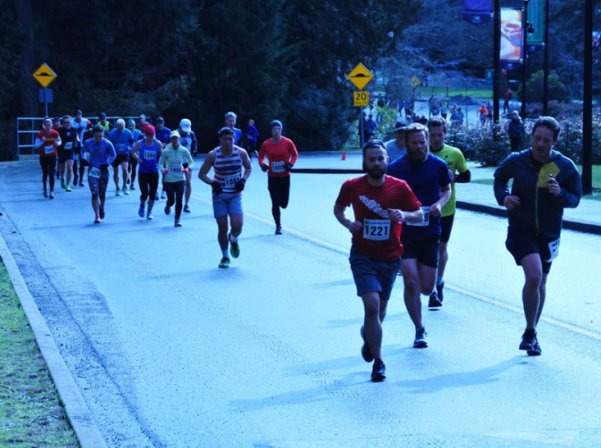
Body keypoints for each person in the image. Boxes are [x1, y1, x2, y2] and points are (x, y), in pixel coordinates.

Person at [334, 139, 423, 382]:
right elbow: (338, 209)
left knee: (379, 312)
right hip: (363, 256)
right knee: (372, 306)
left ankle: (369, 338)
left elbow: (419, 213)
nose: (376, 163)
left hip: (391, 257)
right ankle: (379, 362)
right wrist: (349, 224)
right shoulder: (352, 186)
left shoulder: (400, 187)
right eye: (371, 159)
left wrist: (403, 215)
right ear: (365, 162)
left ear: (387, 161)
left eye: (380, 158)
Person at [493, 116, 582, 356]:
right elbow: (499, 178)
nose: (540, 144)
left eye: (546, 140)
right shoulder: (517, 160)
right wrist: (504, 197)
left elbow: (575, 198)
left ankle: (531, 332)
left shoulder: (565, 166)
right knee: (534, 276)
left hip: (549, 233)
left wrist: (561, 193)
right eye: (537, 138)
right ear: (530, 137)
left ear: (555, 141)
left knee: (541, 281)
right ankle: (530, 331)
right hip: (521, 230)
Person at [387, 123, 451, 348]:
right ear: (406, 143)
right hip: (405, 232)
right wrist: (397, 213)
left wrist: (439, 204)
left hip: (430, 231)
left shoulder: (439, 165)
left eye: (422, 142)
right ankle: (419, 328)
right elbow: (387, 194)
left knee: (425, 287)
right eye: (414, 143)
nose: (419, 146)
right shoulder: (395, 168)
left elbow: (446, 189)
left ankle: (426, 299)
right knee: (411, 281)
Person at [427, 117, 471, 306]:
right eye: (432, 135)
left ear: (445, 134)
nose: (436, 138)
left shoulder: (454, 153)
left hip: (446, 209)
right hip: (424, 209)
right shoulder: (421, 152)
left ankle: (438, 283)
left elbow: (467, 176)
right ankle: (428, 283)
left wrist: (454, 178)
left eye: (440, 134)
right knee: (427, 249)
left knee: (441, 248)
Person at [199, 127, 252, 268]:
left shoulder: (241, 153)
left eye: (230, 139)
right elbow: (202, 174)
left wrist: (243, 180)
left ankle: (233, 239)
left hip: (235, 194)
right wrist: (213, 183)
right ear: (220, 140)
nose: (228, 142)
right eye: (225, 139)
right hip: (219, 195)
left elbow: (248, 167)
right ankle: (225, 257)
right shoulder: (213, 155)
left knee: (238, 226)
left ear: (234, 139)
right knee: (222, 227)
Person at [258, 120, 299, 235]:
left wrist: (290, 164)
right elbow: (261, 156)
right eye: (274, 129)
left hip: (285, 177)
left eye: (278, 129)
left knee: (284, 204)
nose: (276, 131)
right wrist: (262, 164)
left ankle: (281, 203)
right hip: (273, 177)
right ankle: (278, 225)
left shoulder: (288, 142)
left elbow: (295, 154)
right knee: (275, 202)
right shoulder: (266, 144)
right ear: (271, 130)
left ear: (281, 130)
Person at [81, 125, 116, 223]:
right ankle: (96, 215)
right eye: (96, 136)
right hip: (93, 170)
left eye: (100, 136)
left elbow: (113, 154)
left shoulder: (107, 143)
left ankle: (102, 207)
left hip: (103, 170)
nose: (98, 138)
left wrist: (108, 163)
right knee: (94, 193)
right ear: (93, 135)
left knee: (102, 193)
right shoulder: (88, 142)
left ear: (103, 135)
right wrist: (84, 158)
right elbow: (82, 151)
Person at [159, 130, 194, 227]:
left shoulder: (184, 150)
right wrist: (163, 170)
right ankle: (168, 204)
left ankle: (177, 220)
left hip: (180, 178)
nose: (175, 140)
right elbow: (160, 164)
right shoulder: (166, 151)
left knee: (179, 199)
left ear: (179, 139)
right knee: (172, 200)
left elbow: (191, 162)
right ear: (171, 139)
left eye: (176, 138)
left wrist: (187, 168)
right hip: (169, 179)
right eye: (173, 138)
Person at [131, 125, 162, 220]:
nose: (150, 137)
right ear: (145, 134)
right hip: (143, 171)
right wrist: (138, 159)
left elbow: (162, 155)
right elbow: (132, 152)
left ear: (154, 134)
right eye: (148, 135)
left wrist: (160, 162)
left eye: (151, 135)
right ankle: (142, 205)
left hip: (153, 171)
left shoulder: (158, 144)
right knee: (145, 193)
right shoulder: (140, 143)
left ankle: (149, 212)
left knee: (152, 193)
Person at [35, 118, 61, 199]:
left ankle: (51, 191)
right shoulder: (40, 134)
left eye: (49, 124)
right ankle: (45, 189)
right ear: (44, 125)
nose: (48, 125)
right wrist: (42, 142)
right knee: (45, 173)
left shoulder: (55, 133)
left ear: (51, 125)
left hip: (53, 155)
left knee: (52, 173)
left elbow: (60, 141)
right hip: (43, 156)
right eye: (46, 124)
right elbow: (36, 146)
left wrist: (58, 144)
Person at [108, 119, 134, 196]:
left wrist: (129, 147)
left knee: (125, 169)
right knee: (116, 171)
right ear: (116, 126)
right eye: (119, 128)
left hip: (125, 153)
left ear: (124, 126)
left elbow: (131, 141)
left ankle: (125, 185)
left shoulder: (128, 132)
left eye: (122, 127)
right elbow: (110, 144)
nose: (121, 129)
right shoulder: (112, 133)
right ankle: (117, 187)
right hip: (115, 154)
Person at [178, 118, 198, 212]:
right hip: (176, 162)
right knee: (177, 183)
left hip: (187, 162)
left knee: (188, 182)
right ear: (180, 127)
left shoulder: (191, 134)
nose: (185, 132)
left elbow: (194, 144)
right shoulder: (175, 135)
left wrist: (193, 151)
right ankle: (177, 201)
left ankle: (186, 204)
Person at [57, 116, 80, 192]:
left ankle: (68, 185)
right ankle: (62, 178)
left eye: (68, 122)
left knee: (70, 168)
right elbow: (56, 139)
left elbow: (77, 138)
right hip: (61, 151)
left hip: (70, 151)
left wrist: (79, 144)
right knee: (62, 169)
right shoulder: (59, 130)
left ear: (71, 123)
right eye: (65, 122)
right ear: (62, 123)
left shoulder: (74, 130)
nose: (67, 124)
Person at [127, 119, 144, 191]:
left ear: (135, 126)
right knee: (128, 168)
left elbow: (143, 141)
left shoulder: (139, 133)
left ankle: (132, 183)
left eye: (133, 126)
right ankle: (127, 177)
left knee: (134, 168)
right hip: (127, 153)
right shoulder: (125, 132)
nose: (131, 127)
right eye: (130, 126)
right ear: (128, 126)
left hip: (135, 153)